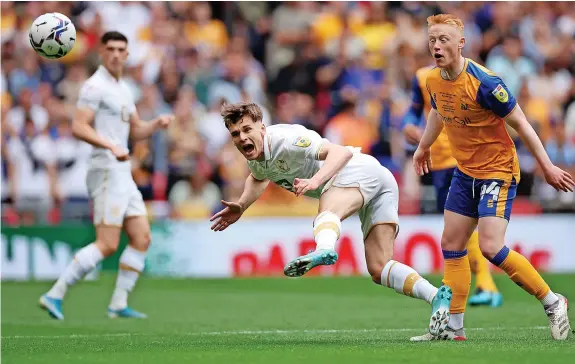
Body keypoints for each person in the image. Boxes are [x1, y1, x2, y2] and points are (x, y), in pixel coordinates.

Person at [210, 102, 453, 338]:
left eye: (246, 129)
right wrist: (241, 205)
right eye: (235, 134)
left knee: (327, 210)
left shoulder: (286, 139)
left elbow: (341, 151)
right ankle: (436, 296)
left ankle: (324, 249)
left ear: (261, 127)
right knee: (379, 268)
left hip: (358, 170)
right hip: (381, 183)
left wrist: (315, 181)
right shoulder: (257, 154)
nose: (241, 137)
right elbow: (258, 176)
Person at [411, 14, 573, 341]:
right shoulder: (433, 80)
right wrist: (423, 147)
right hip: (465, 171)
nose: (436, 46)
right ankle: (453, 329)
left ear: (461, 43)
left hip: (497, 171)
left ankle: (552, 301)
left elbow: (523, 124)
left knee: (489, 246)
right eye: (432, 40)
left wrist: (547, 166)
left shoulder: (486, 84)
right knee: (452, 244)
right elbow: (438, 111)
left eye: (443, 39)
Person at [39, 31, 173, 320]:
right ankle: (55, 294)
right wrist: (111, 145)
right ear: (101, 52)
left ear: (127, 54)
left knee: (142, 237)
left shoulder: (124, 88)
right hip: (106, 170)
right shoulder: (94, 86)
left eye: (120, 49)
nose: (115, 54)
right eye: (110, 48)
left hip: (123, 171)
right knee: (108, 243)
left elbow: (134, 130)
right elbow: (79, 126)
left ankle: (118, 303)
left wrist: (155, 125)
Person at [402, 65, 503, 308]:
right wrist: (409, 127)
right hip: (437, 163)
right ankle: (481, 286)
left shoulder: (473, 77)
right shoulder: (423, 77)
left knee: (463, 227)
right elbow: (413, 111)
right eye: (435, 41)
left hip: (463, 159)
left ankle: (486, 286)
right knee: (457, 229)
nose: (439, 47)